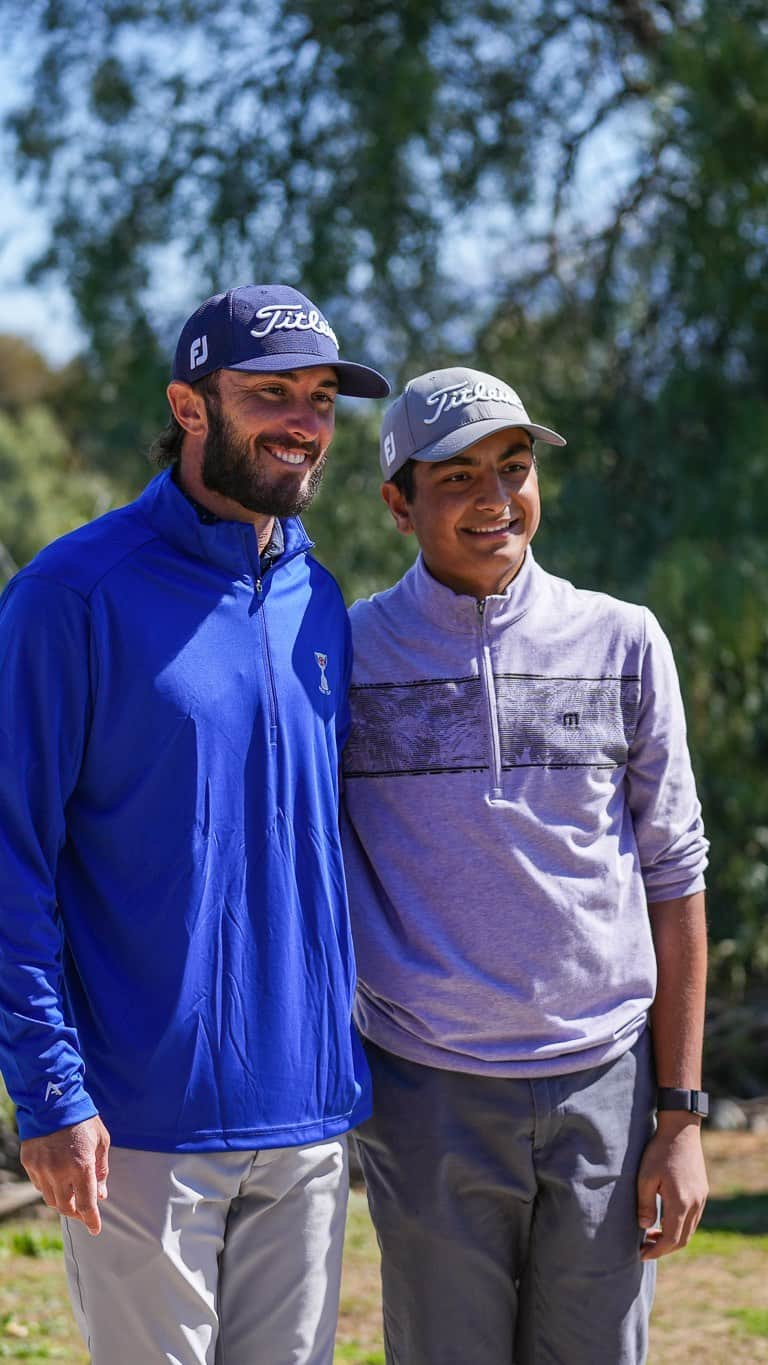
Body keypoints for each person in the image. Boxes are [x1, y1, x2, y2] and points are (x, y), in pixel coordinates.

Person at [0, 283, 390, 1365]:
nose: (303, 422)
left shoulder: (322, 603)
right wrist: (50, 1093)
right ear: (189, 405)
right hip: (137, 1128)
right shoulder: (71, 596)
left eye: (320, 398)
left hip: (309, 1117)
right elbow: (11, 861)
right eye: (270, 394)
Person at [341, 366, 709, 1365]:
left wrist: (679, 1119)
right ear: (397, 503)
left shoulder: (624, 641)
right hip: (427, 1091)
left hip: (608, 1088)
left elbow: (676, 879)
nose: (497, 500)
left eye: (513, 467)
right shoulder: (344, 655)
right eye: (456, 478)